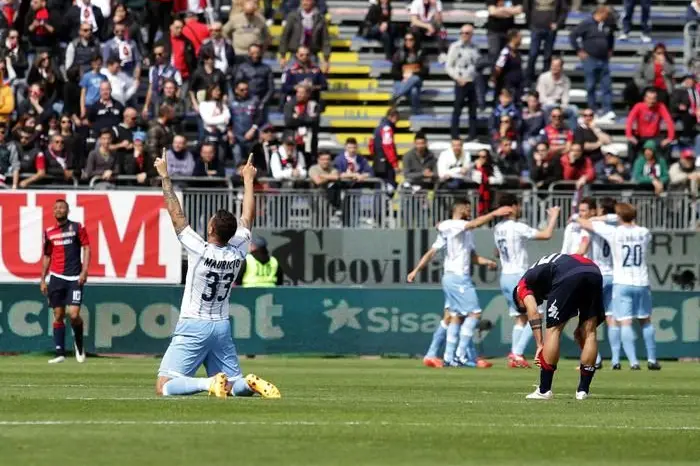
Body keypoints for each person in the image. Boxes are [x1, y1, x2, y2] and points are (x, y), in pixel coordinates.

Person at [154, 151, 281, 398]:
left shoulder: (199, 250)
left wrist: (165, 177)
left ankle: (207, 384)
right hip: (221, 326)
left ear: (211, 228)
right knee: (233, 385)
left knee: (164, 386)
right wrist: (248, 180)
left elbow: (176, 215)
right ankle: (249, 383)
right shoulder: (238, 252)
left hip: (194, 324)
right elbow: (248, 218)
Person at [407, 200, 511, 367]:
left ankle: (448, 357)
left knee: (454, 317)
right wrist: (493, 214)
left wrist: (487, 262)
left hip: (452, 278)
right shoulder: (453, 225)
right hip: (457, 278)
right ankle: (461, 355)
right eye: (468, 209)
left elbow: (470, 256)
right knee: (475, 313)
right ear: (461, 209)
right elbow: (472, 224)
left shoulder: (460, 231)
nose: (471, 212)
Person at [576, 203, 661, 371]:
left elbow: (585, 223)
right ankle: (652, 360)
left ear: (619, 216)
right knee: (646, 320)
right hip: (642, 281)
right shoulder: (644, 232)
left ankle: (633, 362)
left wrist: (594, 217)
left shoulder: (615, 232)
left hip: (622, 281)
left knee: (625, 322)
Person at [514, 253, 605, 400]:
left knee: (554, 330)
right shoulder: (541, 276)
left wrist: (539, 345)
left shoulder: (522, 285)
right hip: (593, 271)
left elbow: (533, 312)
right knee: (589, 332)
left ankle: (544, 390)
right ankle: (583, 391)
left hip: (568, 274)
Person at [494, 194, 559, 368]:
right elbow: (546, 235)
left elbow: (496, 252)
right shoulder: (517, 227)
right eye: (518, 205)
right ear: (513, 207)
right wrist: (553, 217)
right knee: (536, 314)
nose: (520, 208)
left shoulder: (498, 228)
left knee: (520, 318)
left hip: (505, 276)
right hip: (518, 275)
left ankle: (515, 355)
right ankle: (517, 353)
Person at [40, 199, 91, 364]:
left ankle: (79, 345)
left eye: (61, 207)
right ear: (53, 212)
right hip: (56, 277)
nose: (58, 210)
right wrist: (42, 278)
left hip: (74, 277)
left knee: (74, 314)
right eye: (55, 208)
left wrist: (84, 271)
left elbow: (87, 247)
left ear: (67, 211)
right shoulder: (49, 232)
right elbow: (47, 255)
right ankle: (59, 352)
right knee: (58, 315)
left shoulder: (77, 227)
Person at [570, 6, 615, 121]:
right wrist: (579, 50)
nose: (608, 16)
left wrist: (610, 49)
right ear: (601, 13)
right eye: (607, 14)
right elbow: (573, 35)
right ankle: (592, 110)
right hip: (590, 59)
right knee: (591, 85)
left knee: (607, 85)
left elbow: (611, 37)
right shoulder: (587, 23)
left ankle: (608, 110)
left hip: (604, 59)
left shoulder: (607, 24)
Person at [446, 23, 480, 141]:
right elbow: (449, 66)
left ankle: (472, 134)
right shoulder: (455, 47)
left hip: (472, 81)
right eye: (462, 33)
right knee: (458, 108)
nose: (464, 35)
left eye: (467, 33)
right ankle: (454, 134)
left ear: (471, 34)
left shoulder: (475, 47)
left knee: (473, 109)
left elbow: (476, 64)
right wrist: (457, 78)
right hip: (460, 81)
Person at [279, 0, 331, 73]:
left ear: (313, 2)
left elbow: (325, 39)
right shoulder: (293, 16)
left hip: (312, 54)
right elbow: (285, 36)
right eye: (303, 0)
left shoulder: (320, 18)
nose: (305, 2)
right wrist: (282, 56)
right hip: (295, 54)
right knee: (290, 79)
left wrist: (326, 59)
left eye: (308, 0)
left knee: (313, 80)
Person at [524, 0, 568, 85]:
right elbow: (526, 8)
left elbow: (564, 10)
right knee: (533, 54)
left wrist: (558, 24)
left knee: (547, 56)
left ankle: (546, 80)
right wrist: (530, 23)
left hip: (551, 29)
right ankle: (528, 80)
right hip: (536, 27)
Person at [626, 89, 675, 158]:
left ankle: (665, 167)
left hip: (654, 137)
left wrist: (670, 137)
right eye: (649, 98)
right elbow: (630, 120)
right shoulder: (639, 106)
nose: (651, 101)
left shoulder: (660, 106)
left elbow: (669, 121)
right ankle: (632, 167)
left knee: (667, 145)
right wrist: (629, 135)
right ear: (645, 98)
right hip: (641, 137)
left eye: (653, 99)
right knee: (631, 144)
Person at [391, 31, 427, 115]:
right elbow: (393, 72)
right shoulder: (399, 53)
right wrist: (403, 76)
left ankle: (397, 95)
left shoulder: (420, 52)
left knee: (415, 78)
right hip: (402, 81)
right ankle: (416, 112)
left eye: (411, 39)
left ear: (414, 41)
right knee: (414, 91)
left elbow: (425, 71)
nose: (408, 41)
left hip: (416, 80)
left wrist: (412, 75)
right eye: (406, 39)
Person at [537, 56, 578, 130]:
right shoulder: (543, 77)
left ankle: (572, 134)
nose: (554, 68)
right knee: (546, 108)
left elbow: (565, 97)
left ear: (561, 67)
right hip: (546, 104)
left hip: (559, 105)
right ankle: (549, 132)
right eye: (553, 65)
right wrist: (551, 103)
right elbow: (541, 97)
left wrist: (563, 106)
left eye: (557, 66)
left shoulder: (566, 80)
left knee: (574, 109)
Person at [489, 29, 524, 103]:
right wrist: (494, 78)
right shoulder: (505, 52)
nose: (521, 40)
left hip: (516, 86)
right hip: (507, 86)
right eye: (520, 37)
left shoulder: (517, 52)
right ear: (514, 38)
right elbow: (498, 67)